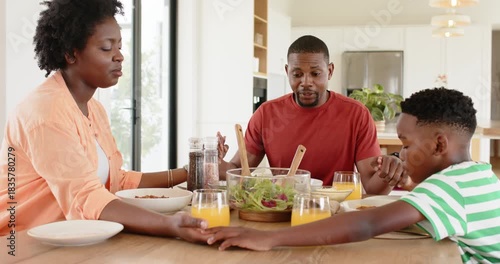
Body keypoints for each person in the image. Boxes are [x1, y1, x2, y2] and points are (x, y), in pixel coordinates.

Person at [207, 87, 500, 263]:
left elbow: (367, 223)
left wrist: (270, 239)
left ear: (439, 144)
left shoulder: (449, 188)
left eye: (406, 145)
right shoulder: (475, 175)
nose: (402, 154)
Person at [0, 0, 209, 242]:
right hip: (17, 243)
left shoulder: (93, 108)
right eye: (106, 48)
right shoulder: (45, 112)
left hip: (70, 240)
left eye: (119, 47)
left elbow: (116, 180)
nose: (119, 57)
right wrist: (168, 225)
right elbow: (86, 196)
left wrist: (189, 171)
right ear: (70, 53)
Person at [217, 35, 406, 194]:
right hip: (285, 209)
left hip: (337, 212)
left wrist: (390, 173)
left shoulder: (357, 114)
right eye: (297, 74)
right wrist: (213, 161)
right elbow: (237, 172)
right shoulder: (266, 114)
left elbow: (372, 188)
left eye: (315, 74)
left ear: (329, 71)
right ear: (287, 72)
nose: (306, 82)